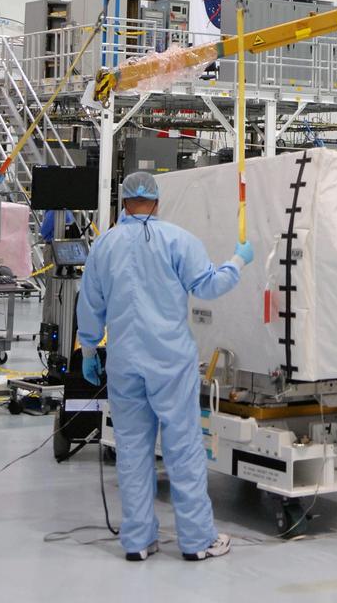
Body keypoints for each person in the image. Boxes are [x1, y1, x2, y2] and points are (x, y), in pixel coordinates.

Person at [76, 171, 254, 563]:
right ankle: (197, 540)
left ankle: (138, 540)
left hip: (124, 364)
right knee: (184, 449)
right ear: (157, 202)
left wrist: (89, 350)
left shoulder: (104, 246)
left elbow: (89, 305)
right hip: (171, 363)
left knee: (133, 450)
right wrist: (238, 262)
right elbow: (208, 286)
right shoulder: (178, 240)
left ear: (123, 202)